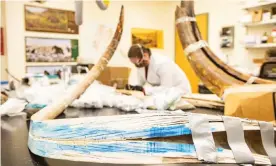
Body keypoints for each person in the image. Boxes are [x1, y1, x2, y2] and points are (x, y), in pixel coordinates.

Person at [126, 44, 192, 96]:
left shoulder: (162, 63)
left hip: (180, 92)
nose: (137, 65)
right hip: (165, 95)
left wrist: (144, 90)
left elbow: (166, 88)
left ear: (145, 55)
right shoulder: (141, 65)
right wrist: (133, 88)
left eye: (137, 62)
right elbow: (140, 85)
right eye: (134, 63)